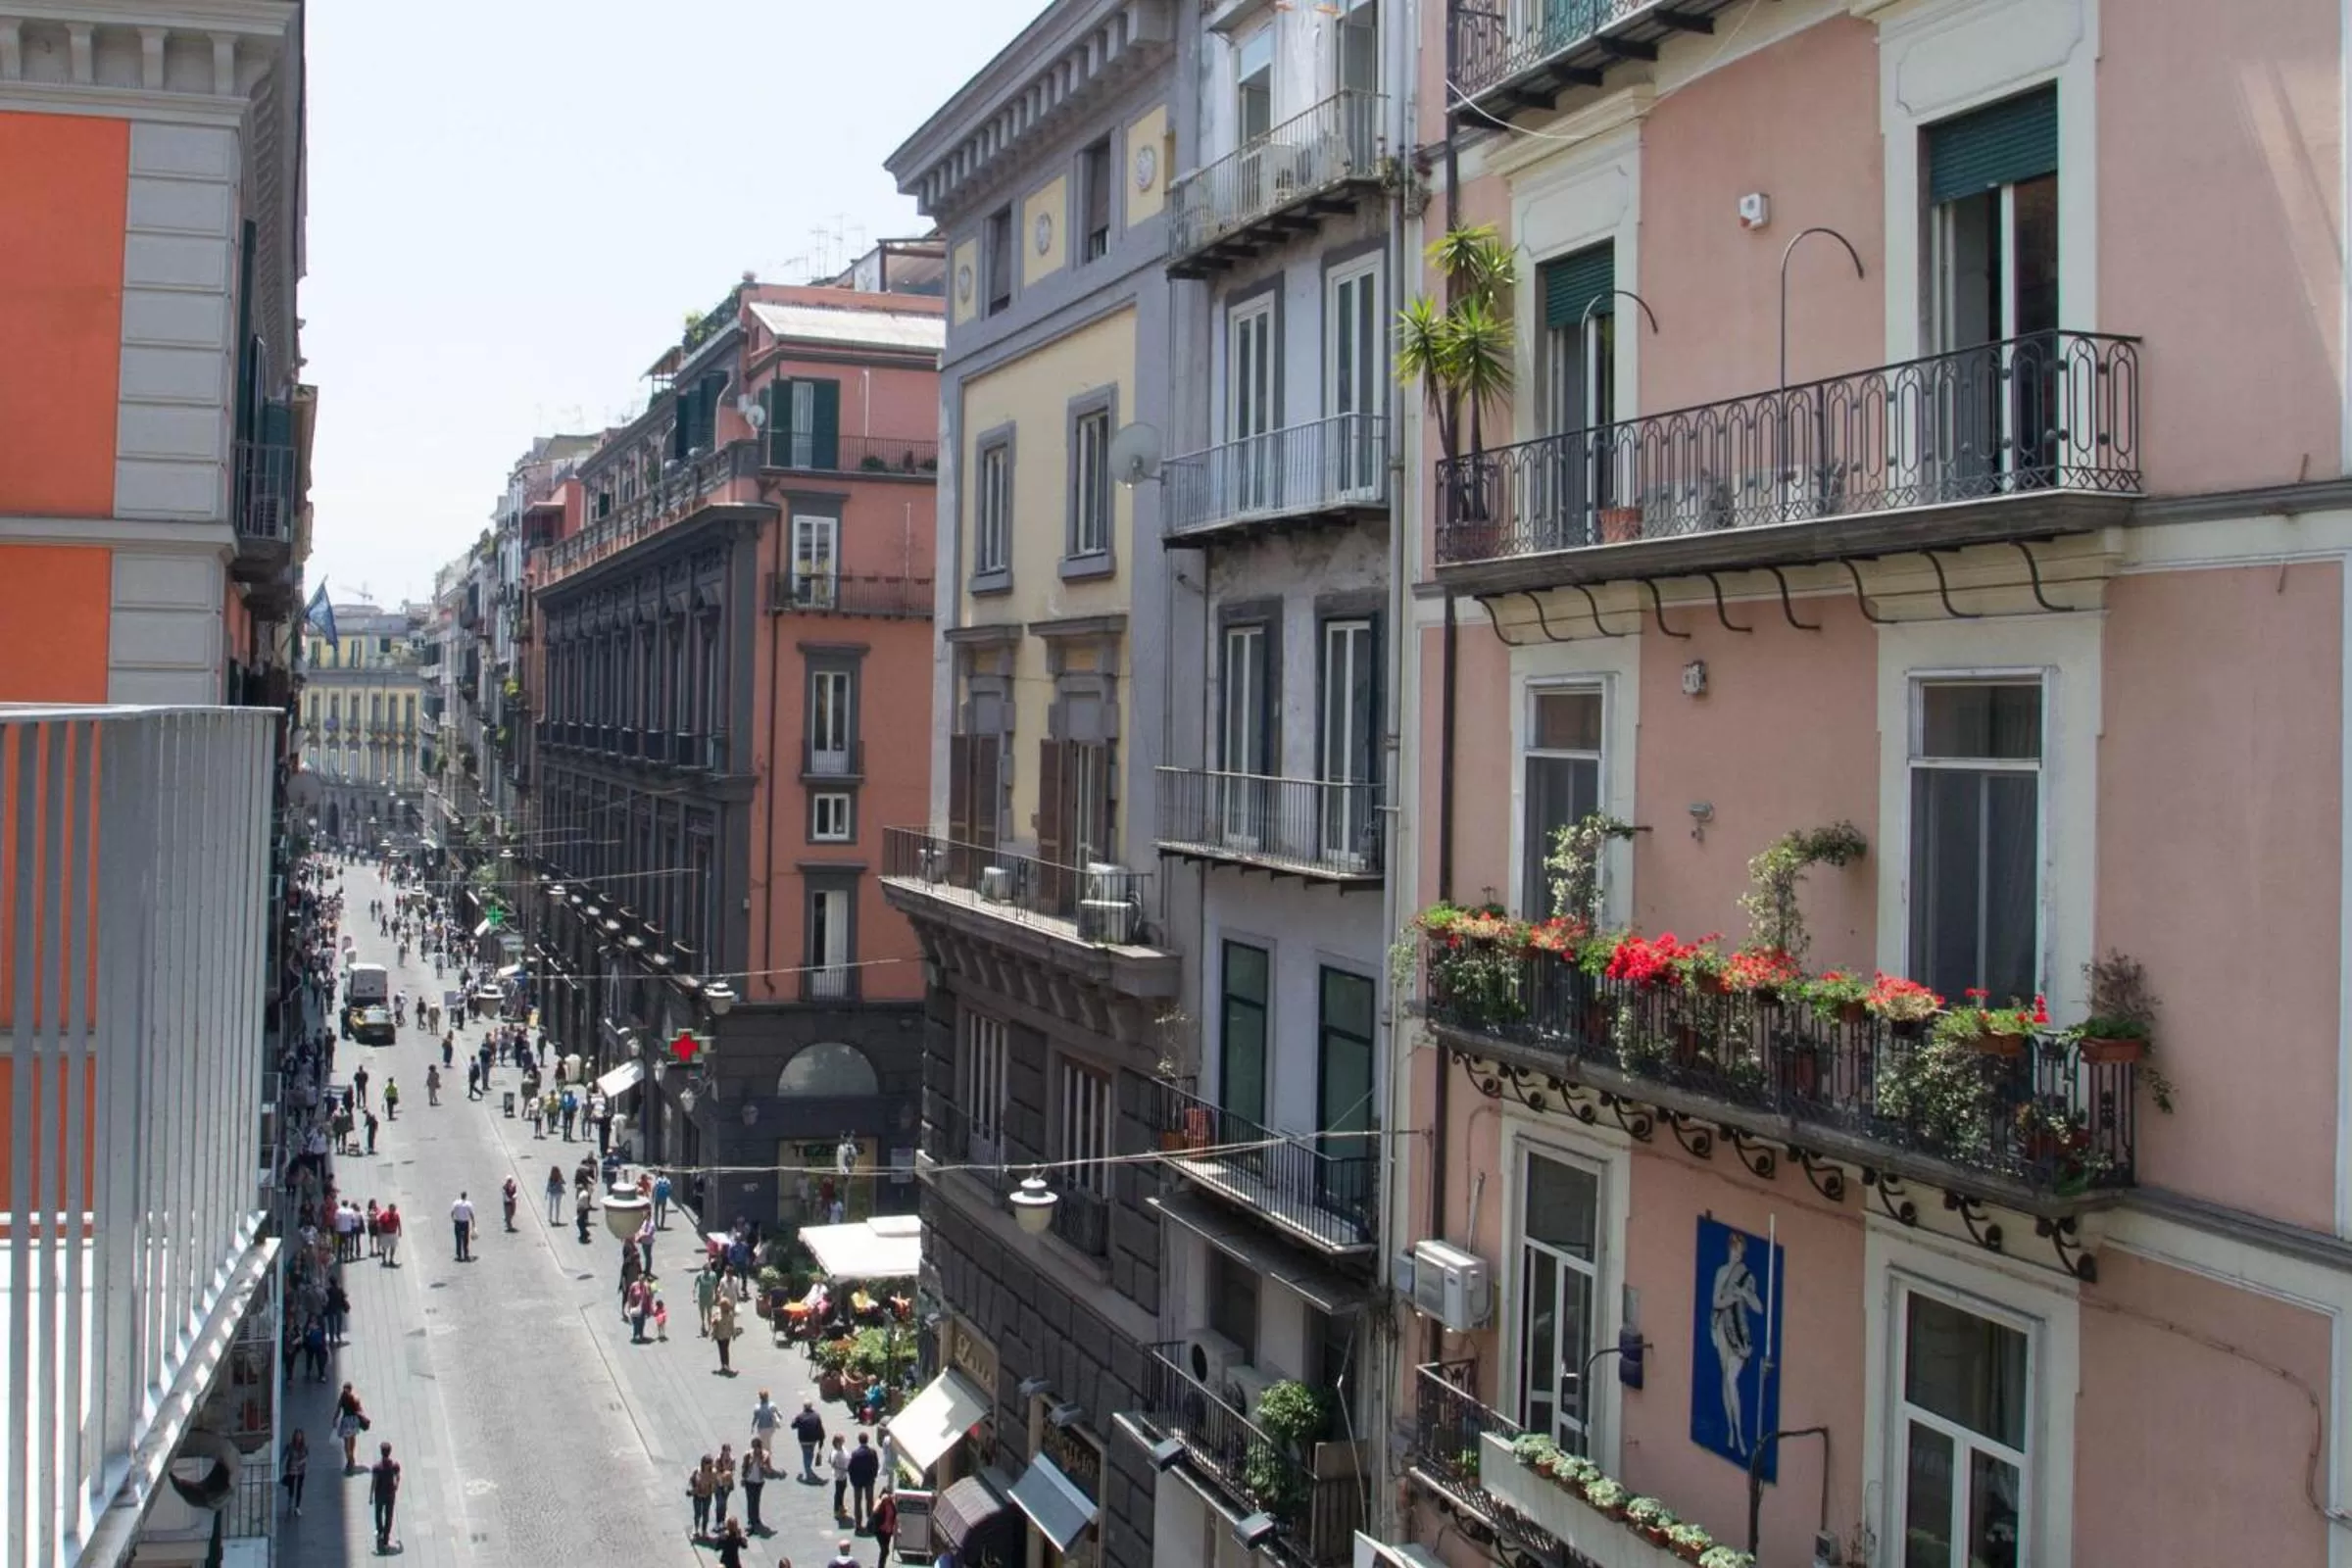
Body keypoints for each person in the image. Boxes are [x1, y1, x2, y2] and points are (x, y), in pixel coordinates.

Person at [368, 1441, 401, 1551]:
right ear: (390, 1452)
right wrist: (396, 1485)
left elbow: (374, 1482)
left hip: (379, 1494)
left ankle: (380, 1531)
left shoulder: (377, 1467)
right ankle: (386, 1538)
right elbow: (398, 1477)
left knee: (378, 1513)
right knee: (388, 1516)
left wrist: (371, 1495)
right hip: (390, 1494)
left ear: (381, 1452)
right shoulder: (394, 1465)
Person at [847, 1432, 880, 1529]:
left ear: (859, 1440)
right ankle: (870, 1523)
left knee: (857, 1502)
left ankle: (858, 1524)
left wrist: (853, 1480)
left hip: (857, 1481)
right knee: (870, 1501)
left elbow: (850, 1468)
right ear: (867, 1440)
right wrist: (873, 1476)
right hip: (869, 1480)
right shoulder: (872, 1452)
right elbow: (876, 1465)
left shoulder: (855, 1453)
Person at [333, 1383, 367, 1471]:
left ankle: (350, 1458)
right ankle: (351, 1456)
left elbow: (338, 1410)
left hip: (346, 1421)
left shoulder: (342, 1398)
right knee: (352, 1439)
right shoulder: (355, 1398)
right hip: (354, 1421)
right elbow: (360, 1410)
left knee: (346, 1442)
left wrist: (334, 1419)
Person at [792, 1398, 825, 1482]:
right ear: (811, 1406)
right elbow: (820, 1429)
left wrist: (794, 1419)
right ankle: (809, 1471)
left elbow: (793, 1426)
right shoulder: (816, 1415)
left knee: (806, 1456)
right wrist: (821, 1442)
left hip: (803, 1440)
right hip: (813, 1440)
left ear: (804, 1407)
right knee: (809, 1455)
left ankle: (809, 1475)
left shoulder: (799, 1416)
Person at [741, 1440, 770, 1535]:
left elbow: (768, 1470)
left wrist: (761, 1464)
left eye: (757, 1447)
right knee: (750, 1501)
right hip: (749, 1481)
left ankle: (756, 1519)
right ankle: (751, 1521)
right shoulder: (748, 1455)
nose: (756, 1450)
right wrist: (752, 1462)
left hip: (759, 1481)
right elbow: (744, 1468)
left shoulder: (765, 1455)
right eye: (754, 1447)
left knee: (756, 1500)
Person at [280, 1427, 309, 1517]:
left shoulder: (304, 1446)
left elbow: (306, 1457)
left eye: (299, 1436)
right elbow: (283, 1455)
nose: (298, 1437)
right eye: (297, 1435)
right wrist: (279, 1464)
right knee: (291, 1487)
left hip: (301, 1469)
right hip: (291, 1468)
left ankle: (297, 1507)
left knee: (299, 1488)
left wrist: (301, 1462)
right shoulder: (290, 1445)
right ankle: (290, 1502)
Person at [751, 1389, 784, 1461]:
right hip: (770, 1428)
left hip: (761, 1429)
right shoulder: (772, 1405)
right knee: (767, 1444)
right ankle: (767, 1459)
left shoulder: (757, 1408)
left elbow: (755, 1419)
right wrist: (778, 1416)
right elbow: (780, 1415)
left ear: (760, 1397)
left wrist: (752, 1427)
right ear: (767, 1396)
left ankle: (764, 1459)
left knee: (762, 1444)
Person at [711, 1289, 738, 1374]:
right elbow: (713, 1320)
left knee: (725, 1349)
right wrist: (714, 1321)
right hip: (719, 1335)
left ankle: (726, 1365)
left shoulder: (730, 1315)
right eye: (722, 1306)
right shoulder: (718, 1312)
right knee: (721, 1350)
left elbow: (732, 1325)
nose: (723, 1307)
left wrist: (734, 1334)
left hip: (726, 1335)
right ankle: (723, 1365)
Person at [868, 1491, 898, 1568]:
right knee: (885, 1550)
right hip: (880, 1530)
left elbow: (895, 1516)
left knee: (885, 1551)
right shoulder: (879, 1502)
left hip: (888, 1531)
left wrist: (897, 1528)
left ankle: (881, 1566)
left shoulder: (892, 1504)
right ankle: (880, 1566)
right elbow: (874, 1511)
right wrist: (882, 1501)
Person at [827, 1433, 851, 1521]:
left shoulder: (843, 1448)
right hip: (839, 1476)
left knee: (842, 1491)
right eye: (842, 1440)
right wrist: (843, 1469)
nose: (844, 1441)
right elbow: (832, 1464)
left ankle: (841, 1507)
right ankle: (836, 1511)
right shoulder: (836, 1453)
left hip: (844, 1475)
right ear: (837, 1442)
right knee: (838, 1494)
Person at [713, 1444, 736, 1531]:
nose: (727, 1452)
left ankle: (722, 1521)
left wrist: (727, 1474)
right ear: (722, 1451)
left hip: (727, 1485)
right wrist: (723, 1474)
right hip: (719, 1484)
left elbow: (732, 1471)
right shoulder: (718, 1459)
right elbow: (716, 1472)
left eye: (728, 1450)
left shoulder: (732, 1460)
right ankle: (718, 1522)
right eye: (725, 1450)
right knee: (719, 1503)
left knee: (724, 1503)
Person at [696, 1264, 720, 1338]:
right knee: (702, 1312)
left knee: (709, 1313)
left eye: (709, 1270)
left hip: (710, 1297)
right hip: (701, 1297)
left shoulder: (713, 1275)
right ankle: (703, 1322)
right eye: (707, 1270)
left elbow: (715, 1285)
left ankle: (709, 1326)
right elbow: (695, 1285)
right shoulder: (699, 1275)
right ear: (704, 1270)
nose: (708, 1272)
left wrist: (716, 1294)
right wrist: (694, 1297)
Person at [451, 1191, 475, 1261]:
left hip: (458, 1222)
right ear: (466, 1196)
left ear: (460, 1196)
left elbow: (452, 1212)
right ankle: (466, 1254)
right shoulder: (468, 1204)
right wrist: (473, 1223)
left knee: (458, 1239)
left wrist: (452, 1219)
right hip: (465, 1223)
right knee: (465, 1239)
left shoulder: (456, 1203)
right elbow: (471, 1214)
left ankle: (459, 1255)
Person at [378, 1202, 402, 1266]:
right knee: (384, 1248)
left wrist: (400, 1231)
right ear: (389, 1209)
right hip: (385, 1234)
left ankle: (391, 1260)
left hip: (393, 1234)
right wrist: (379, 1233)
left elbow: (398, 1223)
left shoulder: (396, 1215)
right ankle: (384, 1261)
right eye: (392, 1209)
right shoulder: (384, 1215)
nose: (394, 1210)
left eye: (394, 1209)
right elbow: (380, 1224)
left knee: (393, 1247)